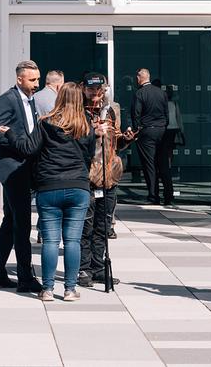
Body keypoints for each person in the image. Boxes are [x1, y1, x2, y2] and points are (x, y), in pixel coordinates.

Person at [2, 82, 98, 302]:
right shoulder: (86, 125)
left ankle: (47, 289)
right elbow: (90, 155)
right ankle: (70, 289)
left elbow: (28, 148)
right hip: (78, 186)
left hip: (49, 187)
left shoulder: (45, 123)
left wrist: (11, 134)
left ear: (60, 98)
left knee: (51, 241)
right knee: (73, 241)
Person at [0, 61, 42, 292]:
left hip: (24, 168)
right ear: (20, 79)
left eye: (38, 79)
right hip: (12, 169)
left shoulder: (31, 101)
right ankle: (25, 277)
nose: (36, 84)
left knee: (10, 223)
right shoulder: (7, 100)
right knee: (21, 223)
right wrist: (21, 146)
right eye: (32, 80)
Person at [78, 73, 133, 288]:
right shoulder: (78, 110)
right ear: (83, 88)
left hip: (109, 175)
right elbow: (75, 140)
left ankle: (98, 267)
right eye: (91, 89)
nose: (95, 93)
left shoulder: (110, 110)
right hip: (87, 176)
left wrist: (125, 139)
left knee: (102, 226)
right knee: (85, 227)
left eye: (99, 89)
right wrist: (93, 130)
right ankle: (83, 269)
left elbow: (114, 142)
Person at [130, 68, 169, 204]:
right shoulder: (161, 92)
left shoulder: (140, 93)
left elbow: (136, 114)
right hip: (162, 130)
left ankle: (153, 195)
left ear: (139, 78)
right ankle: (168, 194)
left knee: (149, 164)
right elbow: (166, 112)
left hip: (147, 131)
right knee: (163, 162)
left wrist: (136, 130)